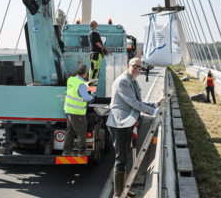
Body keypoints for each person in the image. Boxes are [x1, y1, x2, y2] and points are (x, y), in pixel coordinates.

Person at [106, 57, 164, 198]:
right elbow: (134, 103)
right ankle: (118, 194)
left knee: (125, 158)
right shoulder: (123, 81)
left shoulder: (132, 80)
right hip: (119, 124)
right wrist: (155, 112)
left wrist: (155, 104)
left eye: (140, 67)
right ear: (128, 65)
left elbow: (139, 102)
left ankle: (123, 191)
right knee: (121, 160)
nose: (138, 69)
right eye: (135, 66)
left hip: (127, 123)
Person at [63, 65, 94, 157]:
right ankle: (81, 152)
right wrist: (93, 96)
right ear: (85, 73)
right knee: (81, 133)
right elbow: (86, 97)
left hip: (68, 110)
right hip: (77, 113)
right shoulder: (82, 85)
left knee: (70, 131)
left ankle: (67, 151)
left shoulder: (70, 80)